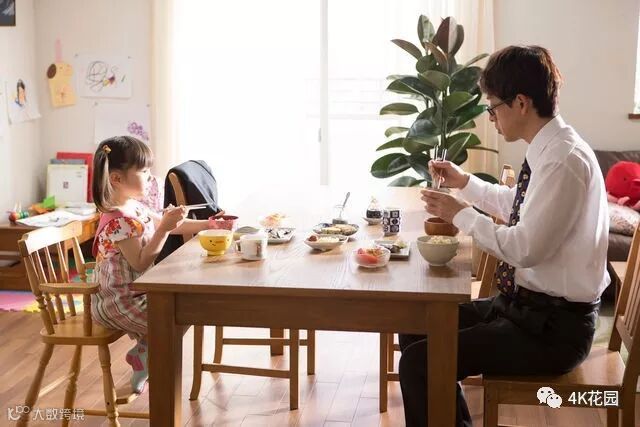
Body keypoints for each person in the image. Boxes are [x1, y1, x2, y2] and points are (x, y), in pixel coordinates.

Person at [399, 45, 610, 426]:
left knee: (420, 363)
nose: (491, 117)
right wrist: (464, 182)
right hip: (525, 309)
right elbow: (518, 204)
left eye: (493, 108)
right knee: (416, 324)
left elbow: (524, 249)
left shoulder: (564, 161)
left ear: (521, 103)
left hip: (552, 330)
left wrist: (460, 214)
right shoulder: (551, 148)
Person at [91, 136, 212, 394]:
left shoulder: (133, 206)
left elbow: (169, 225)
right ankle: (147, 359)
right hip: (119, 302)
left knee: (184, 311)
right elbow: (141, 261)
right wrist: (165, 228)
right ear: (116, 178)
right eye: (144, 171)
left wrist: (208, 224)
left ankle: (143, 353)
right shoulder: (118, 221)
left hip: (139, 292)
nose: (151, 177)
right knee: (174, 320)